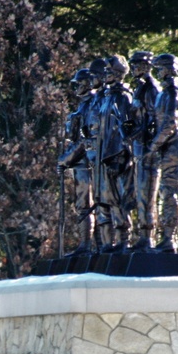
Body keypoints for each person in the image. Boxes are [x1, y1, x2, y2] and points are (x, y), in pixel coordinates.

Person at [144, 53, 178, 253]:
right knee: (165, 194)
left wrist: (153, 147)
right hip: (167, 151)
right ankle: (166, 238)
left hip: (174, 150)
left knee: (170, 195)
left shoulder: (173, 93)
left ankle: (170, 239)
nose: (157, 72)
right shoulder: (163, 94)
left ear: (170, 69)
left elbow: (170, 124)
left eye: (160, 68)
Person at [92, 55, 134, 252]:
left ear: (118, 75)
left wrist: (120, 156)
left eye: (109, 72)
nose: (106, 75)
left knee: (117, 200)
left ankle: (123, 240)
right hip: (101, 157)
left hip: (116, 157)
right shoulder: (105, 98)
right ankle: (106, 244)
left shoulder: (124, 97)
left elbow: (127, 128)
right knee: (103, 200)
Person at [57, 68, 97, 255]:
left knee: (88, 204)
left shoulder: (92, 105)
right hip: (81, 162)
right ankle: (85, 244)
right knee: (82, 204)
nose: (76, 87)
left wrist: (66, 159)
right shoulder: (83, 105)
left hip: (88, 161)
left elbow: (85, 139)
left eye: (79, 83)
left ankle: (89, 245)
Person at [127, 50, 162, 250]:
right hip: (138, 150)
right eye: (132, 65)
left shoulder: (151, 89)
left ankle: (148, 236)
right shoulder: (138, 89)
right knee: (139, 195)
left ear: (147, 66)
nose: (133, 69)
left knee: (147, 195)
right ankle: (142, 235)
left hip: (148, 150)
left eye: (137, 65)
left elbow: (153, 121)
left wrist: (138, 135)